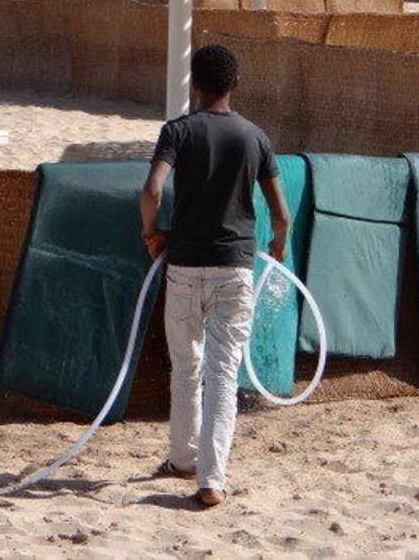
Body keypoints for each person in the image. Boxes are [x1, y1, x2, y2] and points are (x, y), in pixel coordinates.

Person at [139, 45, 290, 509]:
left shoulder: (178, 132)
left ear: (195, 86)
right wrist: (275, 248)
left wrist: (152, 235)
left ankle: (182, 458)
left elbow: (151, 190)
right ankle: (211, 479)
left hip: (184, 266)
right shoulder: (254, 137)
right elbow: (282, 215)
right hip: (235, 268)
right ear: (235, 83)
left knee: (185, 368)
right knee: (223, 375)